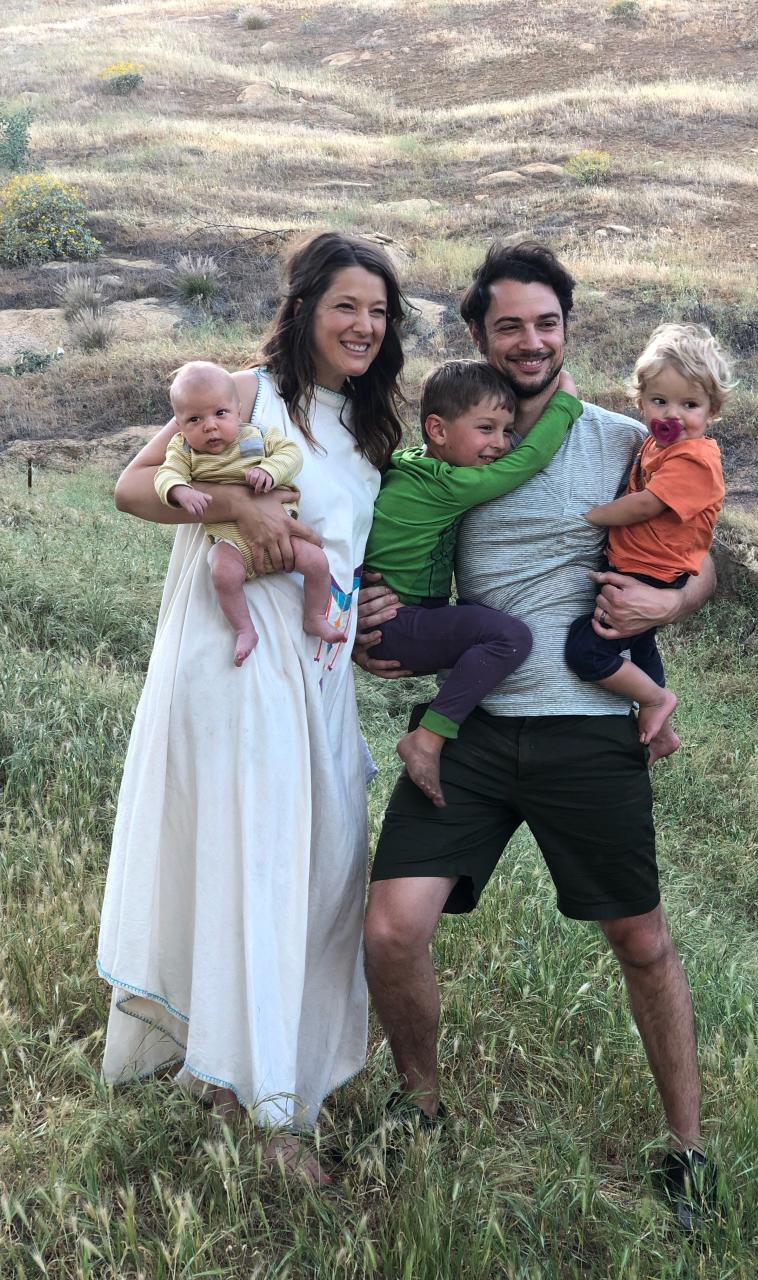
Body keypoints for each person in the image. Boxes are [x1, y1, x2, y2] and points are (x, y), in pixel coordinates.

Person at [356, 242, 718, 1226]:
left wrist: (668, 601)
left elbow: (700, 559)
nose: (530, 340)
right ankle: (421, 1100)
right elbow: (401, 558)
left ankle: (688, 1152)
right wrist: (378, 626)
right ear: (481, 334)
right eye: (509, 324)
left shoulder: (625, 439)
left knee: (641, 941)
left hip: (590, 731)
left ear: (569, 327)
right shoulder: (458, 443)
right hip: (472, 730)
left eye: (546, 322)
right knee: (390, 928)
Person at [97, 230, 407, 1182]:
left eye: (379, 311)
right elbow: (132, 486)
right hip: (233, 662)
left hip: (316, 676)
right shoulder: (243, 391)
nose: (363, 324)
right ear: (306, 308)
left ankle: (251, 1068)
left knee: (320, 870)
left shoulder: (366, 430)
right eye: (346, 304)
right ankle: (269, 1115)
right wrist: (235, 509)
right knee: (261, 864)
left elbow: (346, 547)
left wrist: (375, 599)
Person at [364, 358, 582, 805]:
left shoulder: (406, 463)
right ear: (438, 431)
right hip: (398, 622)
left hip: (394, 618)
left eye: (507, 430)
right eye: (487, 429)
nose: (501, 444)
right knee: (510, 638)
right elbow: (530, 460)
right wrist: (564, 404)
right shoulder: (449, 484)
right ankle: (428, 738)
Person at [564, 323, 729, 749]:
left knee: (589, 650)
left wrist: (592, 517)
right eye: (659, 401)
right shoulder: (657, 444)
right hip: (639, 565)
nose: (672, 415)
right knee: (641, 645)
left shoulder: (694, 459)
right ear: (640, 402)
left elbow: (645, 504)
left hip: (651, 574)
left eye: (689, 404)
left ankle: (656, 699)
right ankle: (663, 733)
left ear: (712, 410)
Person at [155, 360, 344, 666]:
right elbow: (164, 474)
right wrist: (181, 491)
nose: (210, 426)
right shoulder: (184, 451)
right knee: (221, 571)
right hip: (232, 542)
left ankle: (314, 616)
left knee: (317, 561)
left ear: (238, 408)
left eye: (220, 413)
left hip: (281, 533)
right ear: (178, 426)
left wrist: (269, 469)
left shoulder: (257, 434)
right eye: (194, 419)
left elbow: (291, 455)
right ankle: (244, 628)